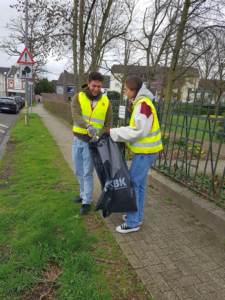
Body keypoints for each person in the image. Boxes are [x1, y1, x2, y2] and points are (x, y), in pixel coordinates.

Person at [110, 76, 163, 233]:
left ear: (134, 90)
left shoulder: (143, 104)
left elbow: (137, 131)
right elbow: (138, 128)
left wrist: (113, 132)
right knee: (139, 186)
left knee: (133, 185)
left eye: (126, 89)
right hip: (146, 152)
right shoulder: (142, 103)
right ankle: (137, 216)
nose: (125, 92)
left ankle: (133, 222)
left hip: (145, 152)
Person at [71, 72, 112, 215]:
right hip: (78, 140)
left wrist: (98, 134)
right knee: (78, 170)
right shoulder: (78, 97)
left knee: (87, 172)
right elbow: (76, 116)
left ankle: (86, 201)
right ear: (88, 83)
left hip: (92, 144)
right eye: (94, 85)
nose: (96, 89)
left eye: (99, 86)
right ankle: (83, 194)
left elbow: (108, 124)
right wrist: (88, 127)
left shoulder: (106, 101)